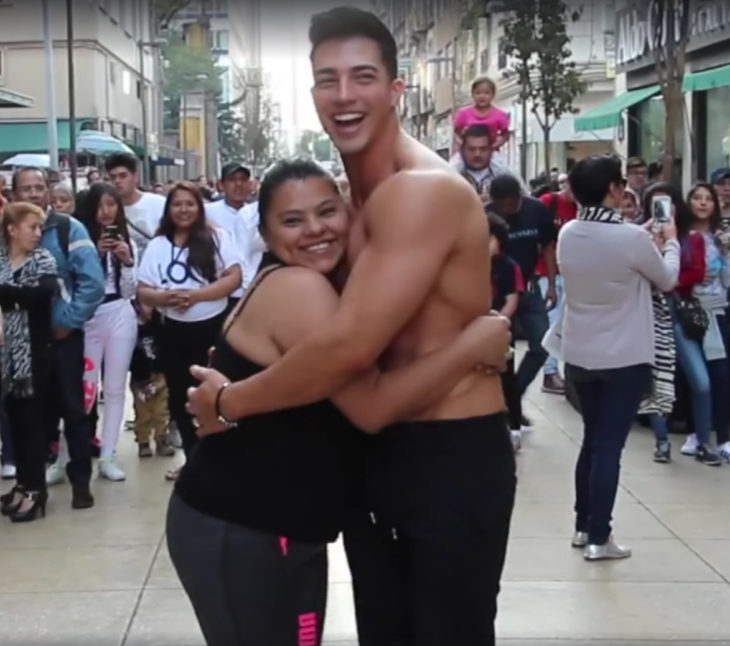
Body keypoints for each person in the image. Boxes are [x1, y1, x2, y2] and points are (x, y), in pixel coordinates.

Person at [188, 8, 516, 646]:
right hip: (376, 459)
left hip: (448, 456)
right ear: (311, 92)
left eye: (362, 76)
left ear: (396, 89)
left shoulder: (418, 191)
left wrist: (230, 402)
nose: (343, 96)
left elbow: (347, 348)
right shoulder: (344, 200)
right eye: (326, 79)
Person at [552, 155, 679, 560]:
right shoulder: (631, 240)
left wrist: (643, 237)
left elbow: (611, 248)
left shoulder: (569, 232)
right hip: (624, 357)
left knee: (591, 442)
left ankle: (581, 526)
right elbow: (667, 278)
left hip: (579, 354)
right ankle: (598, 537)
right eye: (621, 183)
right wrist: (671, 242)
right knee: (609, 448)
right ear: (612, 188)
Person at [12, 167, 105, 509]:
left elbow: (92, 282)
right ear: (14, 192)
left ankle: (81, 481)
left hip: (62, 338)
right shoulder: (7, 232)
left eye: (40, 187)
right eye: (27, 188)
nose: (35, 194)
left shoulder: (69, 228)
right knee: (29, 414)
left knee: (73, 409)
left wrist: (67, 321)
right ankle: (32, 486)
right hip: (20, 342)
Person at [137, 181, 242, 481]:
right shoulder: (158, 245)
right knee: (181, 400)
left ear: (199, 207)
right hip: (172, 333)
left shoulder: (217, 238)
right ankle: (193, 461)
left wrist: (196, 295)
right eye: (177, 204)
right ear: (168, 210)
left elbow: (234, 277)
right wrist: (164, 299)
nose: (183, 210)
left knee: (216, 396)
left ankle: (220, 460)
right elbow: (144, 289)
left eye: (189, 204)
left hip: (212, 331)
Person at [76, 184, 139, 481]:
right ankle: (67, 454)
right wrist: (95, 256)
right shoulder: (81, 241)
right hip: (89, 318)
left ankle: (108, 455)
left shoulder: (127, 242)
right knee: (84, 390)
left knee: (115, 389)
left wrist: (127, 261)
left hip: (119, 314)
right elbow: (82, 286)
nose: (106, 212)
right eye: (101, 206)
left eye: (112, 205)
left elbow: (129, 291)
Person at [0, 203, 57, 522]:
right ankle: (23, 483)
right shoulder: (2, 260)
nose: (37, 234)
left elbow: (42, 294)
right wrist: (16, 295)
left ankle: (36, 489)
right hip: (6, 357)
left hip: (33, 354)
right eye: (31, 227)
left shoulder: (42, 260)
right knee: (16, 423)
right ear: (12, 229)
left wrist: (9, 295)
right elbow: (19, 296)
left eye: (39, 228)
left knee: (33, 423)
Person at [667, 182, 729, 464]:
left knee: (720, 375)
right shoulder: (678, 237)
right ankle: (695, 431)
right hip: (688, 311)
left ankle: (722, 435)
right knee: (694, 376)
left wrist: (726, 254)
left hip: (718, 311)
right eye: (697, 198)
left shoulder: (721, 238)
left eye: (708, 199)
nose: (703, 203)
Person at [487, 174, 557, 402]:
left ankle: (514, 394)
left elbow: (547, 247)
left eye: (508, 204)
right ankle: (505, 404)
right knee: (502, 352)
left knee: (542, 345)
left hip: (529, 287)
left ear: (517, 198)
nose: (504, 210)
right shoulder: (486, 214)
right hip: (500, 291)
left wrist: (552, 284)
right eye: (500, 204)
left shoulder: (536, 210)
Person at [537, 176, 578, 395]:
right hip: (546, 273)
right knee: (552, 322)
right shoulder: (548, 202)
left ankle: (559, 372)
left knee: (565, 325)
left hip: (571, 273)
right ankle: (550, 373)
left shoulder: (582, 209)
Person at [487, 212, 524, 448]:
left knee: (507, 379)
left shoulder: (508, 266)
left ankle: (514, 427)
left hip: (500, 329)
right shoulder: (467, 263)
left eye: (488, 238)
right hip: (475, 326)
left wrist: (499, 321)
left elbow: (512, 299)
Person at [205, 162, 261, 298]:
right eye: (232, 180)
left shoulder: (258, 214)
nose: (239, 184)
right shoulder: (207, 213)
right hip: (218, 291)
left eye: (243, 179)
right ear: (221, 185)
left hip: (253, 290)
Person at [451, 76, 510, 162]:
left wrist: (492, 147)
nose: (482, 97)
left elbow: (505, 135)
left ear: (492, 95)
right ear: (472, 94)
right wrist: (463, 145)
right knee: (453, 168)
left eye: (486, 93)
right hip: (466, 155)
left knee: (505, 172)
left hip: (492, 155)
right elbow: (456, 132)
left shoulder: (500, 115)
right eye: (478, 93)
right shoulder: (463, 113)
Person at [457, 124, 518, 203]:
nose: (477, 154)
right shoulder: (453, 180)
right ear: (462, 150)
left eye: (483, 149)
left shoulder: (505, 176)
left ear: (491, 150)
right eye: (471, 149)